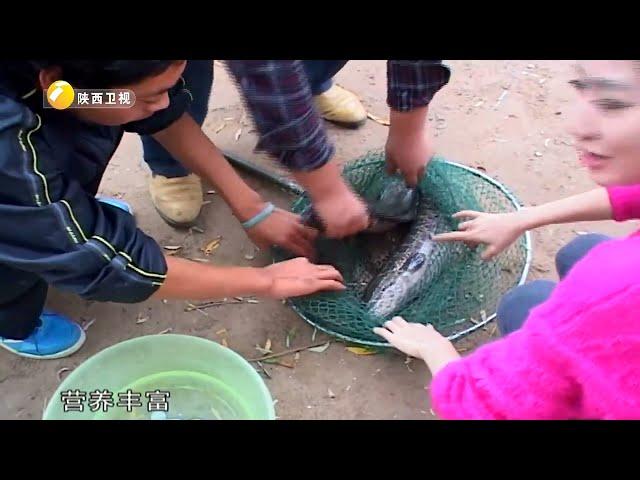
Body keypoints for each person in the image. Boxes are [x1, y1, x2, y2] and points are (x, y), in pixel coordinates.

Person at [0, 60, 344, 360]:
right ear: (54, 79)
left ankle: (65, 213)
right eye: (151, 96)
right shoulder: (8, 148)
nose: (164, 102)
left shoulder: (73, 89)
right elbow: (110, 266)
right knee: (24, 256)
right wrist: (265, 280)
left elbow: (159, 113)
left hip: (46, 123)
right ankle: (14, 324)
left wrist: (250, 206)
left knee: (54, 197)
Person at [375, 60, 640, 420]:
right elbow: (631, 195)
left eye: (613, 103)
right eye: (581, 87)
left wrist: (435, 349)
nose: (575, 125)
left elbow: (478, 408)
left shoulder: (611, 284)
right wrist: (521, 219)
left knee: (523, 303)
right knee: (577, 251)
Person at [143, 60, 451, 237]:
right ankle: (171, 165)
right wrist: (327, 191)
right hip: (112, 95)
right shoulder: (105, 94)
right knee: (166, 80)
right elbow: (162, 113)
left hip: (117, 98)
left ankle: (309, 85)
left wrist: (409, 125)